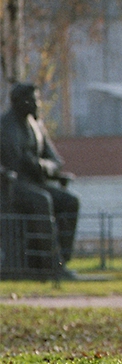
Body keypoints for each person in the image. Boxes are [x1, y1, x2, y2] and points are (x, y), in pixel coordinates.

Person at [0, 82, 79, 276]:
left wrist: (40, 166)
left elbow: (55, 161)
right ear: (20, 101)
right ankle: (50, 264)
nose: (37, 104)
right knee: (41, 200)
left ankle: (61, 262)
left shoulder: (37, 127)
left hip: (35, 182)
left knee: (70, 201)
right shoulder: (3, 126)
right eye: (34, 100)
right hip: (11, 187)